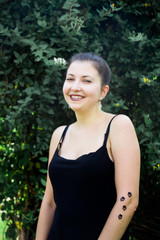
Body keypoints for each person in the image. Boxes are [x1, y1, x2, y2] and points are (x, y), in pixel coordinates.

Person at [35, 53, 140, 240]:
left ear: (103, 92)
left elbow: (128, 200)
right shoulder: (59, 135)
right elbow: (49, 202)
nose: (75, 87)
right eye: (70, 79)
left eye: (86, 81)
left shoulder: (118, 126)